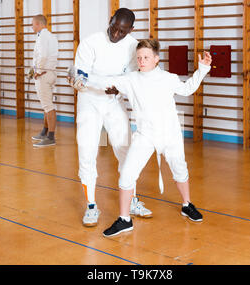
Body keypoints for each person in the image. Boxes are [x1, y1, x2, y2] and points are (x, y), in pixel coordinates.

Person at [72, 39, 213, 237]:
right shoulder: (130, 79)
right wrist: (82, 77)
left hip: (170, 134)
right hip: (145, 136)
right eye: (139, 57)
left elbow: (188, 88)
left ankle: (187, 204)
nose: (141, 61)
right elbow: (105, 81)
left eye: (146, 57)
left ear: (156, 59)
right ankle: (124, 219)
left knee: (180, 169)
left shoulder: (168, 78)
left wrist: (203, 69)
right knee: (127, 175)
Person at [70, 8, 152, 227]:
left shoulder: (134, 46)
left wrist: (120, 90)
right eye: (114, 28)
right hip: (89, 102)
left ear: (131, 30)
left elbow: (134, 77)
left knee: (125, 150)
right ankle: (91, 206)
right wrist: (95, 85)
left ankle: (132, 200)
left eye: (122, 31)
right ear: (110, 21)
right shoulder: (90, 43)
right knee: (87, 151)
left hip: (114, 103)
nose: (116, 34)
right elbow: (78, 77)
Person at [31, 14, 59, 147]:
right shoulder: (51, 36)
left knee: (48, 106)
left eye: (33, 24)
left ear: (39, 24)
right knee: (46, 105)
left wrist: (37, 72)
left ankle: (51, 137)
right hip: (51, 73)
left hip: (43, 74)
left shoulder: (43, 37)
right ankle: (45, 131)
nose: (32, 26)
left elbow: (42, 56)